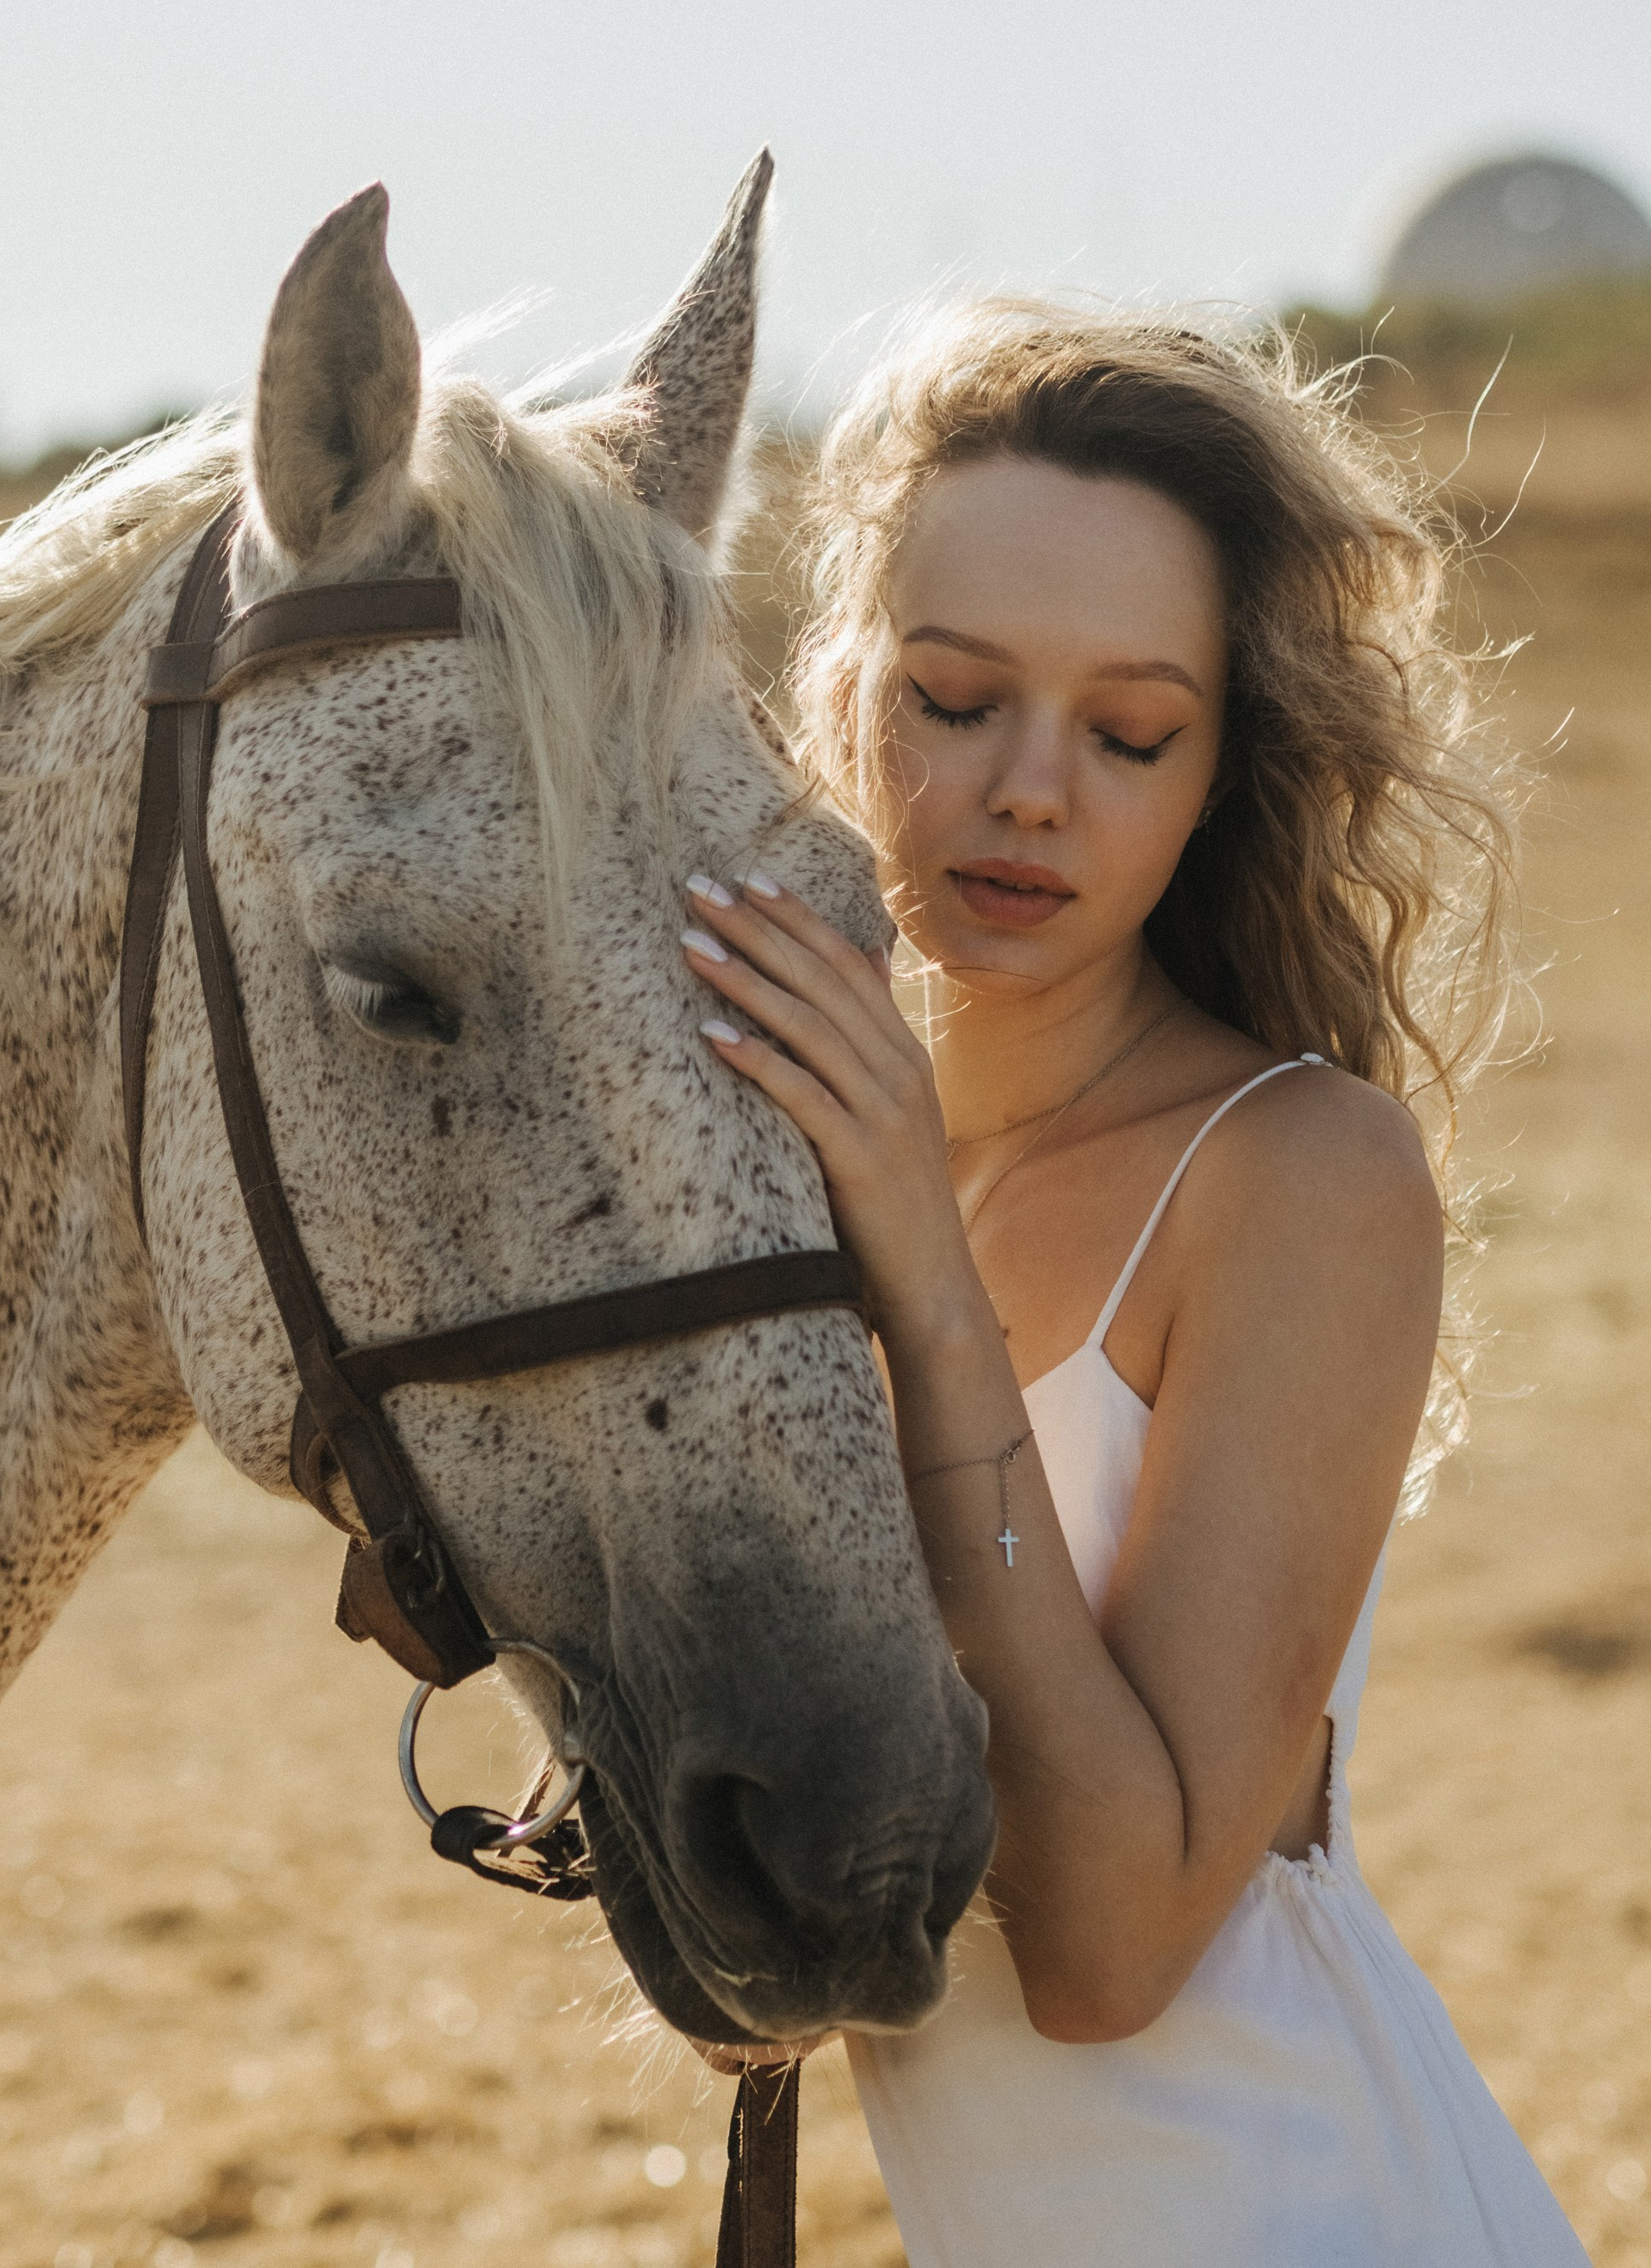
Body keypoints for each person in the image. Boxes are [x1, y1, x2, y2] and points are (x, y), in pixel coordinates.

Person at [677, 302, 1585, 2265]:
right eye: (952, 695)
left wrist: (923, 1282)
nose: (1029, 790)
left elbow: (1104, 1949)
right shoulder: (787, 1175)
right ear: (839, 688)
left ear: (1212, 771)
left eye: (1128, 730)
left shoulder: (1296, 1173)